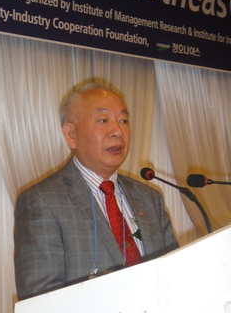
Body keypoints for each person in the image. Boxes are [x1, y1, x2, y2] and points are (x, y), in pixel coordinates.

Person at [14, 82, 179, 300]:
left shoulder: (149, 198)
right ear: (71, 134)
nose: (118, 132)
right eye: (103, 120)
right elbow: (41, 300)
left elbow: (176, 274)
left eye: (123, 121)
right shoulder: (41, 201)